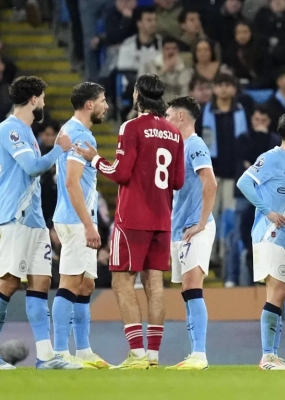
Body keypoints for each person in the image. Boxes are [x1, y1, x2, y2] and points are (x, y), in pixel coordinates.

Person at [73, 74, 185, 369]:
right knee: (154, 283)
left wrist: (95, 159)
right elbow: (178, 181)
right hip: (163, 217)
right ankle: (153, 356)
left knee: (123, 281)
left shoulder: (131, 127)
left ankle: (136, 353)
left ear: (137, 94)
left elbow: (120, 173)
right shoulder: (174, 133)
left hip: (133, 217)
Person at [0, 76, 79, 370]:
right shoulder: (9, 129)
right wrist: (59, 149)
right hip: (14, 218)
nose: (44, 103)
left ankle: (46, 357)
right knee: (9, 281)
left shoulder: (27, 132)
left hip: (34, 222)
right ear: (34, 99)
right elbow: (32, 167)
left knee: (41, 283)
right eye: (43, 98)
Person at [236, 111, 285, 371]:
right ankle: (267, 356)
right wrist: (267, 211)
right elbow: (244, 183)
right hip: (271, 233)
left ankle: (273, 356)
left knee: (280, 293)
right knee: (276, 291)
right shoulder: (271, 157)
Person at [51, 82, 111, 369]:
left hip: (78, 217)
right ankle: (60, 352)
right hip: (76, 220)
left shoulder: (71, 130)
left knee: (86, 284)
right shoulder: (79, 134)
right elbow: (71, 182)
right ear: (89, 104)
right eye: (102, 100)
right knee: (70, 282)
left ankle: (84, 351)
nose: (106, 106)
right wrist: (88, 225)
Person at [164, 96, 217, 370]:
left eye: (168, 115)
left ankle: (200, 353)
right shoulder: (178, 147)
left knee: (193, 286)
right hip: (180, 228)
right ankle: (195, 352)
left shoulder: (195, 145)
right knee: (187, 289)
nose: (166, 119)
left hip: (195, 227)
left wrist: (201, 222)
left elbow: (211, 183)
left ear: (181, 117)